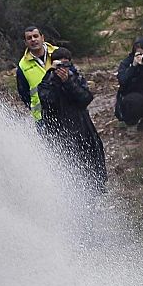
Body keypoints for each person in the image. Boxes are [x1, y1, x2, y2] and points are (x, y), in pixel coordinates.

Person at [36, 49, 107, 192]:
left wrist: (69, 83)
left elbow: (85, 98)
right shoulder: (46, 81)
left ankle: (95, 190)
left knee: (91, 163)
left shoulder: (76, 78)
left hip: (82, 129)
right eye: (59, 65)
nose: (63, 69)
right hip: (59, 132)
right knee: (66, 168)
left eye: (66, 64)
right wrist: (56, 81)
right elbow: (48, 102)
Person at [14, 25, 60, 122]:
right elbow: (23, 93)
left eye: (35, 36)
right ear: (25, 42)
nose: (33, 40)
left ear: (42, 38)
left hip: (65, 111)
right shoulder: (23, 66)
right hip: (42, 117)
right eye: (29, 38)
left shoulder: (58, 53)